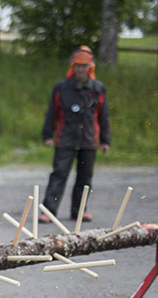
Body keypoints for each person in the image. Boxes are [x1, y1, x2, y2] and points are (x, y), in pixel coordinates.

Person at [40, 45, 110, 223]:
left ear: (90, 68)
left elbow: (103, 115)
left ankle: (79, 211)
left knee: (85, 177)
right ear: (73, 66)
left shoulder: (98, 88)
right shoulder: (62, 87)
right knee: (59, 174)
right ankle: (48, 211)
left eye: (84, 66)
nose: (81, 69)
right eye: (77, 65)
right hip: (65, 138)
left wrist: (105, 140)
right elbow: (52, 112)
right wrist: (47, 134)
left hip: (88, 139)